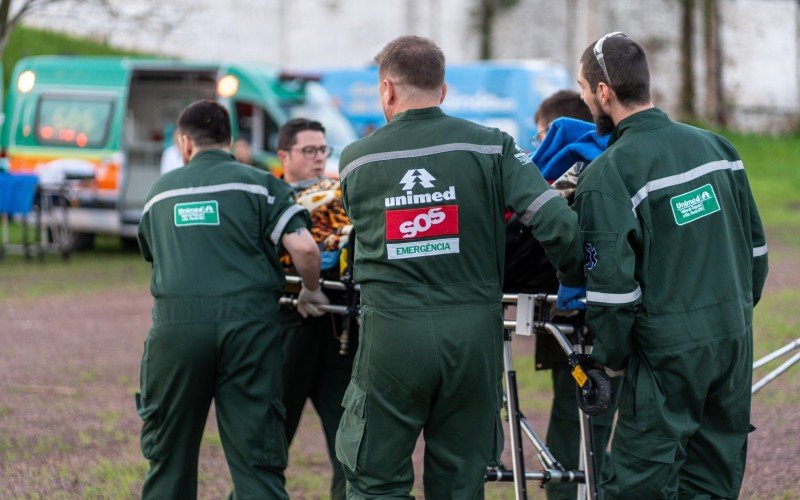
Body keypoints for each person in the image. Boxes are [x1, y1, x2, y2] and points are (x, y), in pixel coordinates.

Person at [335, 35, 586, 498]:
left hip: (392, 337)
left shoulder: (356, 159)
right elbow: (558, 224)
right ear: (444, 90)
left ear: (387, 90)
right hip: (472, 337)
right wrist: (573, 283)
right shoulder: (493, 147)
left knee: (375, 480)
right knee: (459, 483)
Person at [572, 32, 768, 498]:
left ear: (604, 92)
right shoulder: (719, 148)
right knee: (712, 480)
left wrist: (611, 361)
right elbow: (756, 253)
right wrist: (732, 315)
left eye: (583, 87)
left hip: (667, 358)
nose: (583, 98)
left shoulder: (608, 175)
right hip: (733, 339)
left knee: (639, 484)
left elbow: (614, 295)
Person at [135, 99, 329, 499]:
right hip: (250, 330)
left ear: (185, 143)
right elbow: (306, 250)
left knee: (169, 457)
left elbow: (153, 254)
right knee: (257, 460)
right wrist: (311, 289)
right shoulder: (260, 184)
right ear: (231, 140)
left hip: (176, 332)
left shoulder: (158, 194)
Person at [504, 89, 620, 500]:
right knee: (582, 410)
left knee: (584, 415)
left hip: (580, 310)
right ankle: (576, 488)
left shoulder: (577, 167)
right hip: (573, 314)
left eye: (540, 136)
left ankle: (575, 490)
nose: (538, 148)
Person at [276, 118, 353, 500]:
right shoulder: (271, 196)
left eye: (323, 149)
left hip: (338, 330)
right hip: (288, 328)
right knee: (268, 447)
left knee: (350, 450)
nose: (319, 157)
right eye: (309, 150)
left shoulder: (342, 193)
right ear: (284, 155)